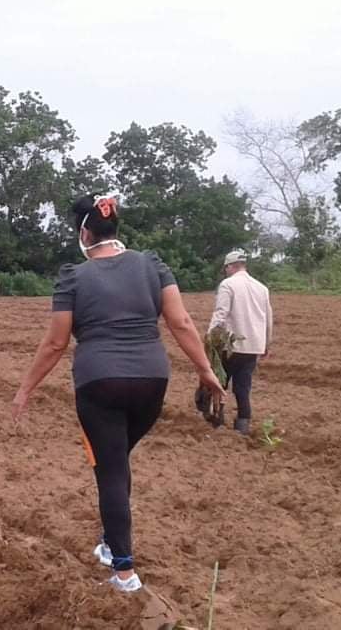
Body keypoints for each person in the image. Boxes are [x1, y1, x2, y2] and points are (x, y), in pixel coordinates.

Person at [11, 194, 224, 593]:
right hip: (152, 383)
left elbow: (56, 344)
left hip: (99, 384)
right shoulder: (152, 265)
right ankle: (111, 542)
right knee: (117, 459)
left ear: (84, 233)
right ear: (115, 231)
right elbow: (179, 321)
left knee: (109, 470)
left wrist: (25, 389)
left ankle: (124, 572)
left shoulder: (73, 277)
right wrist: (205, 370)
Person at [208, 250, 274, 435]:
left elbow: (220, 314)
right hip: (253, 345)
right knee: (243, 387)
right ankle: (243, 425)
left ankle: (217, 421)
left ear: (230, 266)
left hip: (229, 345)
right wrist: (266, 344)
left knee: (219, 383)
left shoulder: (227, 285)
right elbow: (268, 318)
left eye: (226, 268)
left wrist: (209, 339)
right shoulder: (261, 288)